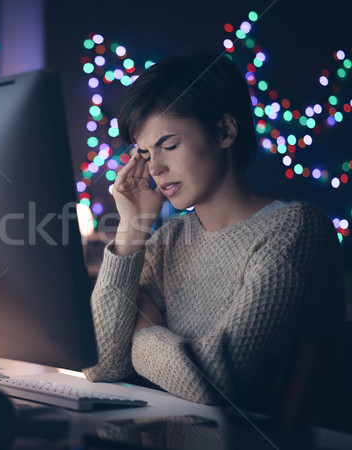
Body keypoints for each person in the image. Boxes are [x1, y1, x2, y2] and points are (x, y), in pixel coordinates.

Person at [82, 54, 346, 421]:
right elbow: (100, 365)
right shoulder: (170, 238)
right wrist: (133, 229)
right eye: (144, 153)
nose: (154, 167)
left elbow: (216, 382)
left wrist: (141, 331)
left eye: (169, 145)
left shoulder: (296, 230)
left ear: (224, 132)